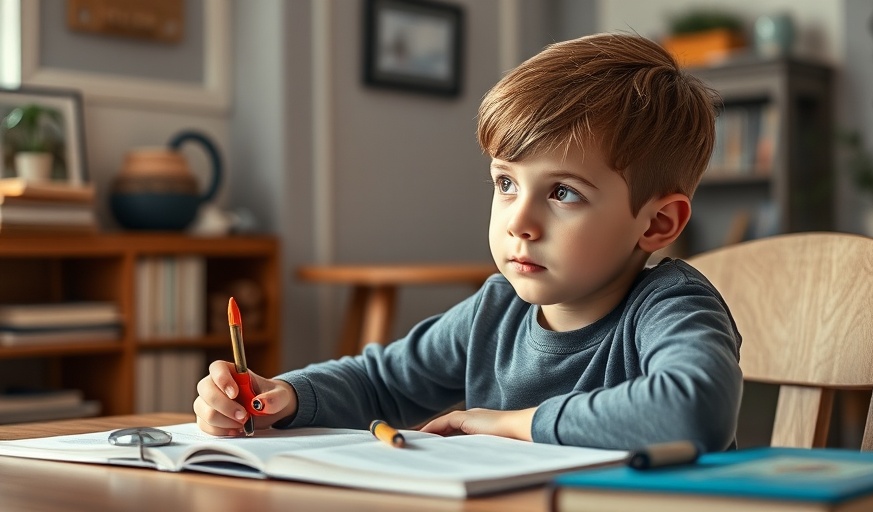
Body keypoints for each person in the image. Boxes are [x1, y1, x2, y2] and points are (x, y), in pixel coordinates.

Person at [194, 32, 743, 451]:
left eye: (564, 193)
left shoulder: (671, 304)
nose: (519, 222)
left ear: (657, 224)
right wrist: (281, 396)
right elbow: (380, 382)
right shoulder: (496, 310)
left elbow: (693, 410)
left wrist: (507, 425)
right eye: (506, 183)